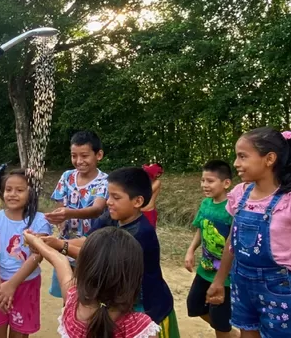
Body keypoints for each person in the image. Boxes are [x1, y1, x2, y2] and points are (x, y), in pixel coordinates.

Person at [205, 128, 291, 338]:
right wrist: (219, 280)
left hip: (277, 288)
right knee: (246, 332)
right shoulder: (239, 193)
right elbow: (233, 240)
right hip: (240, 280)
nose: (236, 164)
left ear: (269, 159)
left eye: (242, 156)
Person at [42, 167, 179, 338]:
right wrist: (51, 241)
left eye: (116, 197)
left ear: (137, 202)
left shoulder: (140, 233)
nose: (108, 201)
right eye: (109, 195)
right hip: (122, 298)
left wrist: (60, 246)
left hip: (146, 304)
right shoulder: (113, 216)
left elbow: (98, 256)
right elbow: (89, 241)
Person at [24, 227, 161, 338]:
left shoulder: (73, 302)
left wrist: (35, 241)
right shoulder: (139, 328)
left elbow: (59, 260)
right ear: (133, 278)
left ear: (84, 269)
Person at [0, 168, 52, 338]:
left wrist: (12, 285)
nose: (13, 194)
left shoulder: (41, 221)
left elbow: (37, 256)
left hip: (26, 285)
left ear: (31, 193)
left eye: (20, 190)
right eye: (8, 189)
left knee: (19, 333)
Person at [44, 130, 108, 298]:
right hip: (66, 245)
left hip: (91, 247)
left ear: (98, 155)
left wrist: (68, 213)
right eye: (74, 156)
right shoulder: (67, 177)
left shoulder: (105, 181)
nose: (79, 161)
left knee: (88, 295)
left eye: (84, 156)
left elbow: (97, 209)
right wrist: (59, 218)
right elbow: (60, 203)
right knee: (68, 292)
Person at [185, 160, 236, 337]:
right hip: (205, 268)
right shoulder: (206, 204)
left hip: (226, 277)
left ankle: (226, 332)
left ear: (226, 183)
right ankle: (231, 334)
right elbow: (201, 227)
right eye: (203, 180)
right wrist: (191, 250)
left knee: (220, 319)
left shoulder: (232, 209)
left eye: (210, 181)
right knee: (194, 305)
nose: (205, 185)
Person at [141, 163, 163, 227]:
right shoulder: (145, 181)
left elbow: (147, 192)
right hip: (139, 212)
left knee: (150, 231)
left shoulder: (157, 182)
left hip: (149, 211)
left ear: (158, 174)